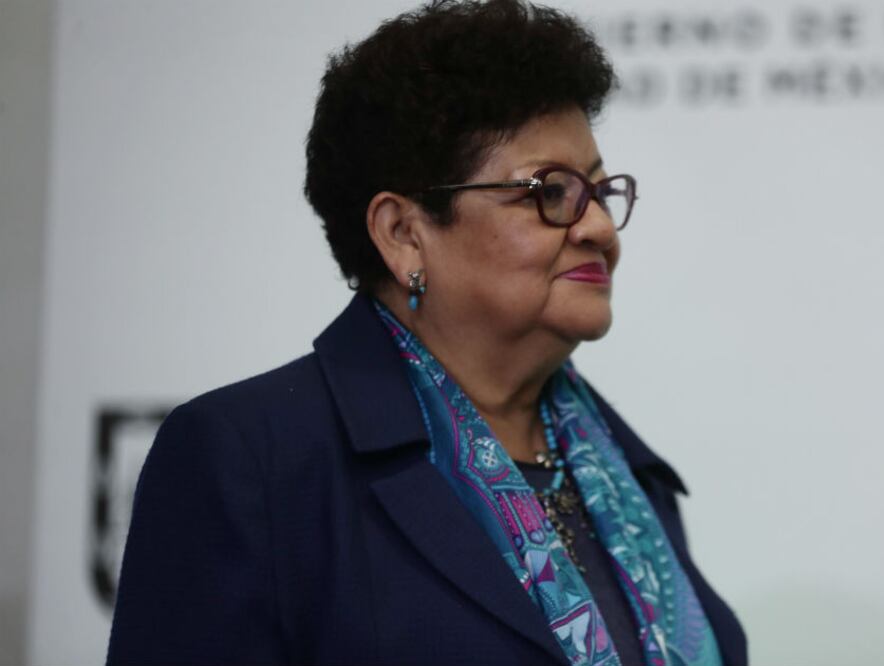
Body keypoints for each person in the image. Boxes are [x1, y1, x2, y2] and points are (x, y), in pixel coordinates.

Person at [106, 1, 747, 664]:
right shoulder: (254, 462)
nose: (599, 230)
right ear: (403, 233)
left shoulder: (622, 471)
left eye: (600, 193)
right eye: (551, 193)